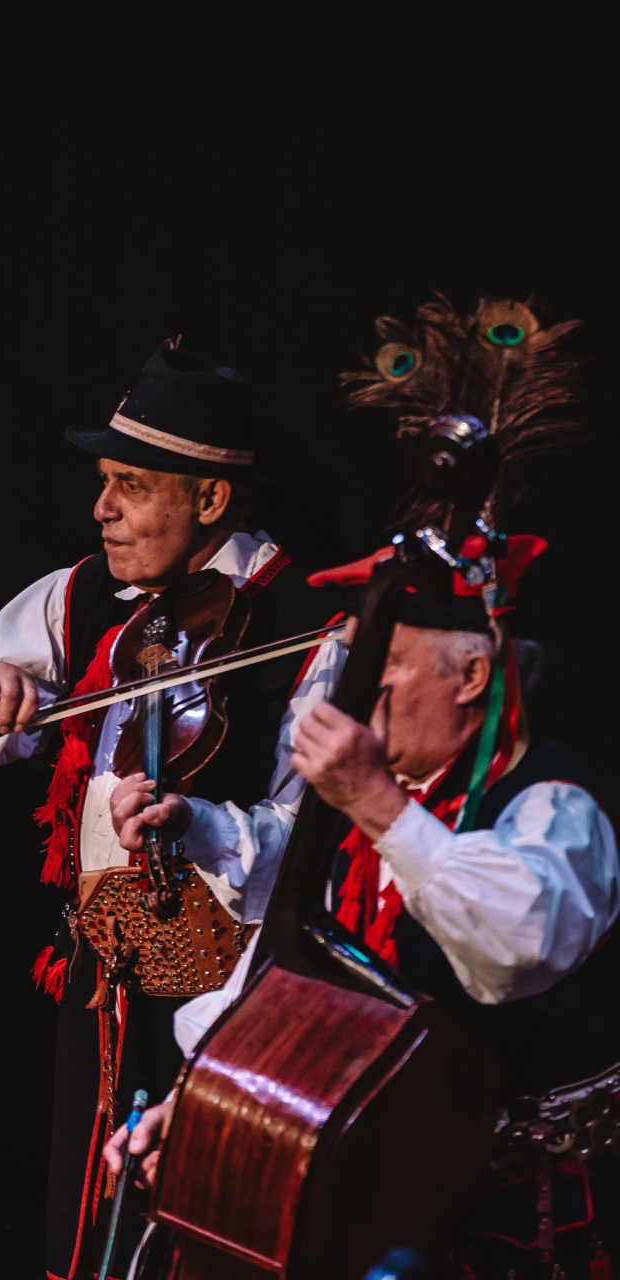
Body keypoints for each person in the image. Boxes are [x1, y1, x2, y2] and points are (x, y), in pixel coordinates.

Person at [108, 300, 620, 1280]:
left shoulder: (554, 804)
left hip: (518, 1221)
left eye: (388, 660)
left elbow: (515, 947)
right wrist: (206, 1097)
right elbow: (290, 976)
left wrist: (379, 802)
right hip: (383, 1194)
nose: (361, 682)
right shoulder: (358, 806)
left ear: (472, 676)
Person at [0, 343, 344, 1279]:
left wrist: (203, 826)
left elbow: (314, 839)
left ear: (210, 499)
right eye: (104, 482)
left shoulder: (306, 625)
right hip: (105, 990)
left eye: (131, 487)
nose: (102, 508)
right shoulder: (83, 596)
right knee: (94, 1235)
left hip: (236, 1001)